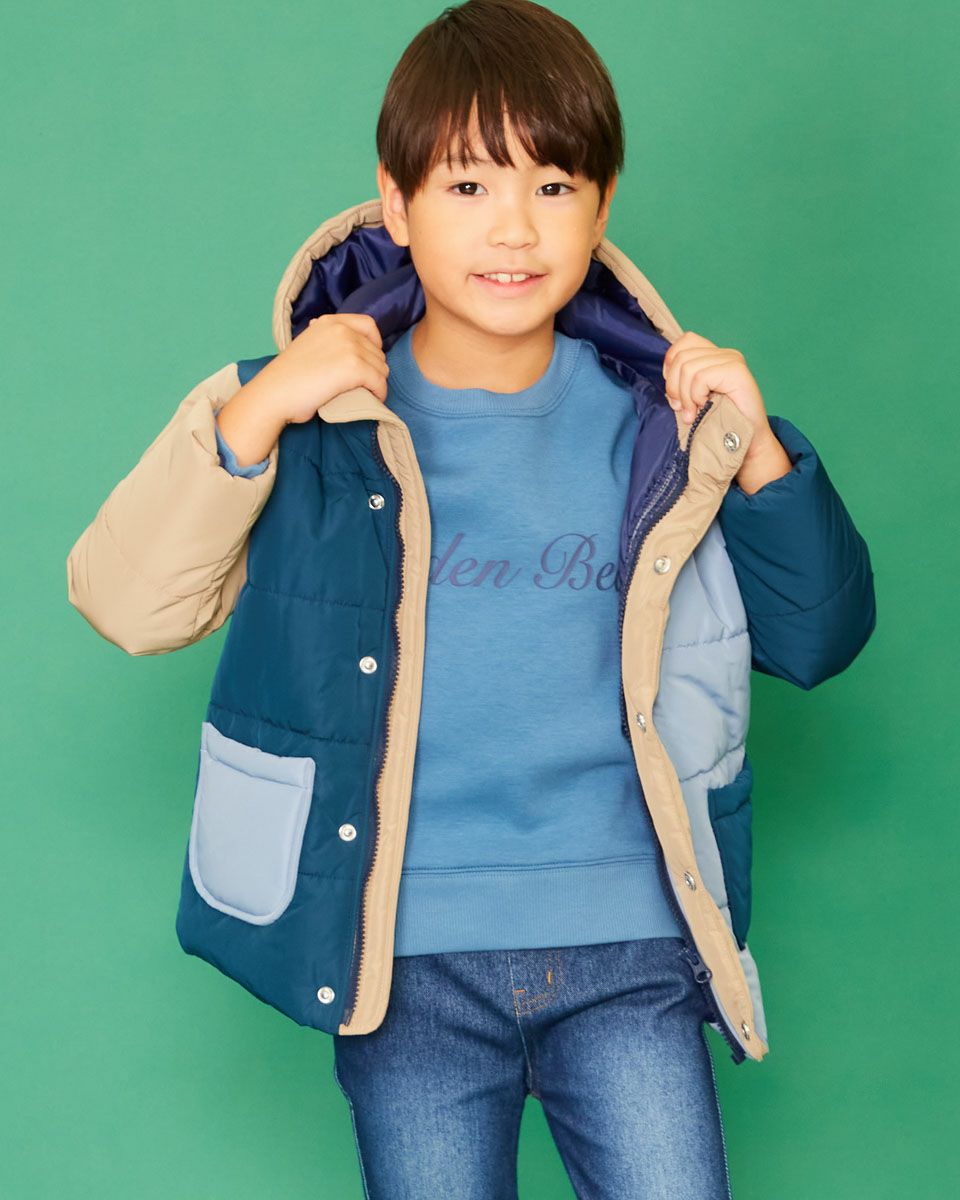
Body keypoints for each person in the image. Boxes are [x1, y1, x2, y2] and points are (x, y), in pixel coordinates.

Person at [65, 1, 876, 1196]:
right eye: (465, 185)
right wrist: (256, 409)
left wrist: (757, 450)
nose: (513, 228)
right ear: (394, 205)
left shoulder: (665, 417)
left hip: (632, 937)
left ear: (602, 205)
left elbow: (818, 638)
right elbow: (129, 602)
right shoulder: (310, 416)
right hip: (402, 957)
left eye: (553, 186)